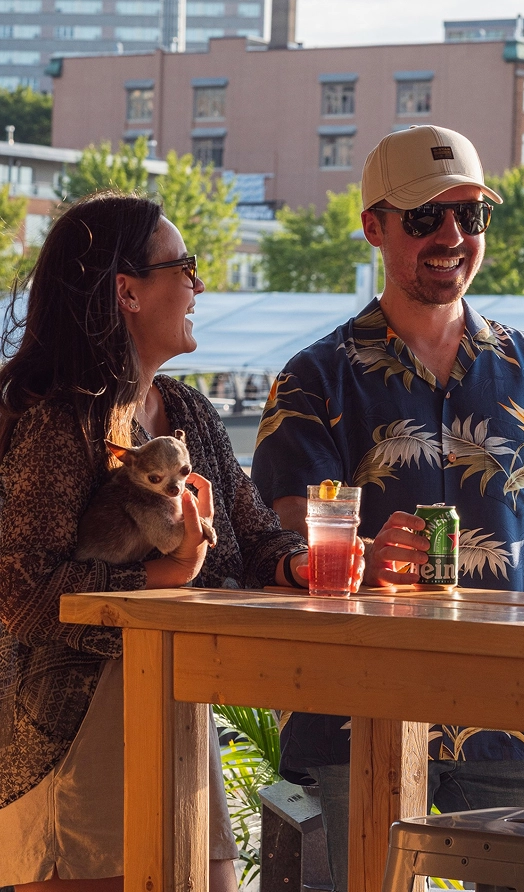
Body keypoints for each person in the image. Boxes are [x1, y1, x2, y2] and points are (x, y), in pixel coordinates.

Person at [252, 124, 524, 892]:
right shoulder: (312, 381)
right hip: (353, 718)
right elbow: (278, 549)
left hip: (509, 717)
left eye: (470, 215)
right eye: (424, 218)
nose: (452, 235)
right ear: (373, 226)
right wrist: (355, 564)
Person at [0, 192, 359, 892]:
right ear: (127, 292)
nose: (199, 283)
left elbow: (253, 542)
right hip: (78, 734)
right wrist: (157, 582)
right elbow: (20, 592)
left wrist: (307, 564)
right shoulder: (59, 421)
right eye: (183, 265)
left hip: (175, 707)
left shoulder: (187, 411)